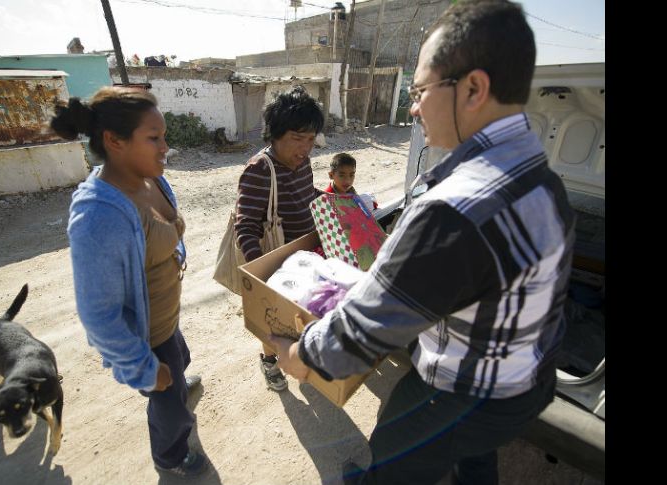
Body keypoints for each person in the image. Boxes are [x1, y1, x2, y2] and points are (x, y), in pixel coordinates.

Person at [270, 1, 576, 483]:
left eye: (420, 90)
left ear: (473, 88)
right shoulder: (542, 178)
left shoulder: (453, 208)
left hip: (464, 391)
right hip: (528, 381)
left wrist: (296, 354)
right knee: (473, 455)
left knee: (393, 456)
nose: (412, 107)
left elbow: (357, 337)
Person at [54, 87, 208, 477]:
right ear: (114, 141)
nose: (165, 147)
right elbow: (99, 317)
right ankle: (170, 456)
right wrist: (144, 369)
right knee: (168, 406)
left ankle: (174, 387)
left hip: (165, 318)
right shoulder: (97, 217)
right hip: (147, 337)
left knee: (180, 360)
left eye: (164, 136)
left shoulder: (148, 179)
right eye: (153, 138)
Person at [234, 85, 325, 392]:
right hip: (276, 266)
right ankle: (269, 361)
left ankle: (296, 357)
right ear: (275, 133)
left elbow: (307, 195)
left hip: (303, 259)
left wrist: (334, 202)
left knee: (297, 319)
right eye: (297, 138)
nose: (305, 148)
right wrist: (263, 278)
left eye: (310, 140)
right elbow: (245, 227)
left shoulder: (303, 163)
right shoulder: (260, 169)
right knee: (272, 321)